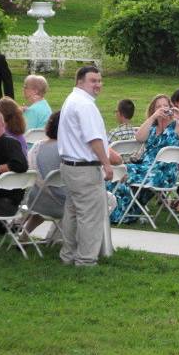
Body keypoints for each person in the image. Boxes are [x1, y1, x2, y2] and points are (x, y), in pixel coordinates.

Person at [109, 94, 179, 223]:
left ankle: (120, 214)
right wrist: (154, 117)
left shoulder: (177, 125)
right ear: (153, 109)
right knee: (116, 174)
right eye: (159, 106)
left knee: (121, 173)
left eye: (165, 106)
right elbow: (139, 137)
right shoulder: (153, 127)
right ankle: (120, 212)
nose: (163, 109)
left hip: (164, 174)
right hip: (145, 169)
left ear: (171, 108)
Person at [57, 66, 112, 267]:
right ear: (80, 82)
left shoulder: (72, 100)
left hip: (70, 166)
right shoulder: (84, 104)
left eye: (99, 80)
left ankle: (68, 255)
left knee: (72, 213)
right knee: (90, 215)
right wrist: (106, 164)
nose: (97, 84)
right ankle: (86, 260)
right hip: (84, 168)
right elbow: (94, 139)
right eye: (93, 80)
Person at [22, 111, 65, 235]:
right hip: (63, 205)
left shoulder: (36, 147)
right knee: (107, 198)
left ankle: (23, 235)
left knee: (45, 190)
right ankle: (55, 237)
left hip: (35, 202)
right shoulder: (66, 149)